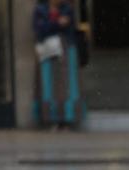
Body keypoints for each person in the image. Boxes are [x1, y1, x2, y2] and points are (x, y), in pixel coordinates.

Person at [33, 0, 85, 129]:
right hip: (47, 51)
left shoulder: (67, 9)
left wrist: (50, 24)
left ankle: (67, 118)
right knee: (48, 84)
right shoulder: (40, 10)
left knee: (67, 84)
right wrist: (57, 23)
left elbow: (67, 25)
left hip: (66, 50)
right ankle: (50, 119)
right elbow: (39, 29)